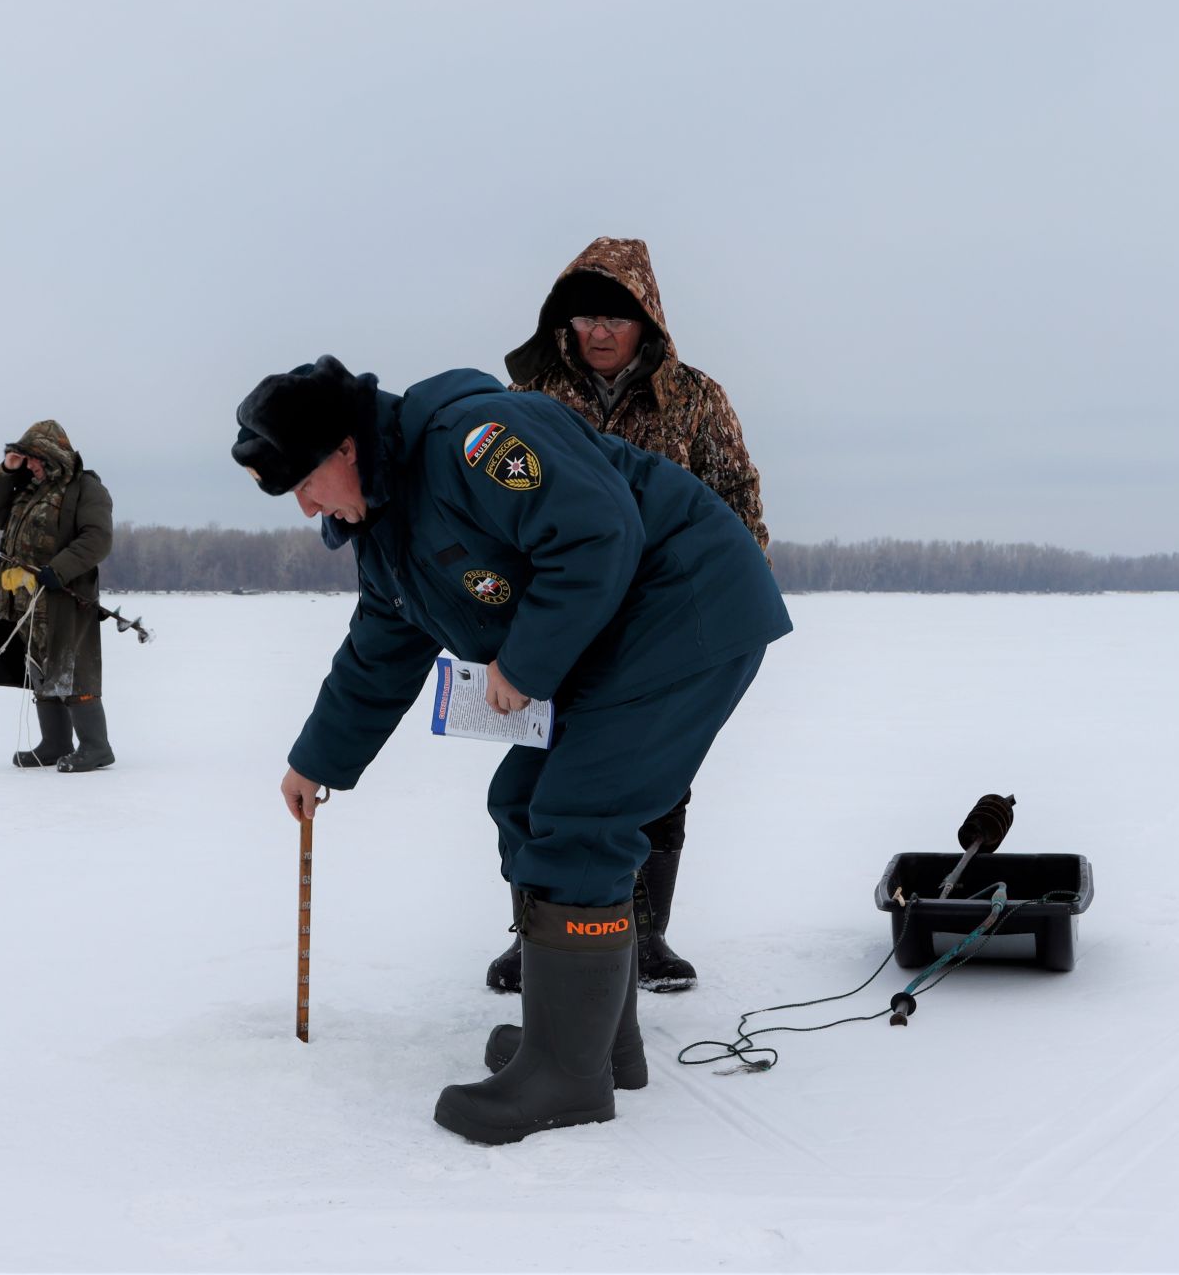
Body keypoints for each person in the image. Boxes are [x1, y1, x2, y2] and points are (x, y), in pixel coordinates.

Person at [232, 356, 789, 1144]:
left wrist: (523, 665)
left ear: (344, 449)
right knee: (526, 803)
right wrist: (318, 758)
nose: (304, 508)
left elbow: (599, 533)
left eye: (304, 484)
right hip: (619, 638)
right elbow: (384, 642)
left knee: (577, 817)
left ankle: (568, 1077)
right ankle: (596, 1044)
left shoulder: (474, 443)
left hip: (687, 608)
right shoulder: (387, 523)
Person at [490, 235, 771, 996]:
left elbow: (738, 505)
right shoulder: (530, 404)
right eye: (587, 316)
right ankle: (539, 935)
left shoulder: (695, 399)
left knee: (658, 782)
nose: (602, 332)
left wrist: (724, 608)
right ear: (564, 322)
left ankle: (645, 936)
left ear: (648, 320)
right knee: (541, 778)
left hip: (664, 623)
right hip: (565, 621)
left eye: (619, 317)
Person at [0, 419, 116, 772]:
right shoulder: (29, 487)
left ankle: (96, 747)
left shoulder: (86, 489)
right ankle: (54, 743)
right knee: (39, 667)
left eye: (34, 458)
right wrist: (7, 470)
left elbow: (97, 537)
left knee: (73, 667)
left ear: (54, 456)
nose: (31, 464)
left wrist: (59, 569)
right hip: (25, 597)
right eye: (26, 458)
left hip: (64, 594)